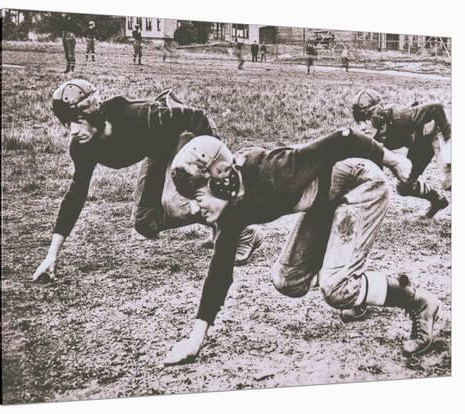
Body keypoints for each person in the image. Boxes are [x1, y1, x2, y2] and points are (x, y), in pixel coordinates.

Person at [164, 129, 441, 365]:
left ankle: (417, 302)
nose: (194, 206)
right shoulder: (232, 209)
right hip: (326, 199)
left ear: (220, 179)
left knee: (336, 287)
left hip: (361, 185)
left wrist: (391, 160)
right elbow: (220, 271)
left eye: (197, 195)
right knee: (288, 280)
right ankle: (356, 293)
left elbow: (343, 138)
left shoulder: (273, 171)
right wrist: (194, 340)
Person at [32, 79, 264, 282]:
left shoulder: (141, 115)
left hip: (188, 135)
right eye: (67, 124)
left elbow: (196, 118)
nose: (73, 131)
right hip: (159, 149)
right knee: (144, 221)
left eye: (78, 121)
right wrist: (51, 255)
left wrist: (215, 168)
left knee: (175, 202)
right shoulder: (83, 147)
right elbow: (76, 195)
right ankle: (218, 224)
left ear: (93, 113)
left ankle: (241, 228)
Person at [352, 89, 451, 219]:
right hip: (419, 143)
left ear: (378, 116)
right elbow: (376, 175)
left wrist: (449, 142)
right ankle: (437, 200)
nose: (362, 127)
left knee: (449, 179)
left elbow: (436, 108)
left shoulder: (400, 115)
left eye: (366, 119)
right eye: (359, 121)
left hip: (435, 128)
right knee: (405, 186)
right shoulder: (371, 139)